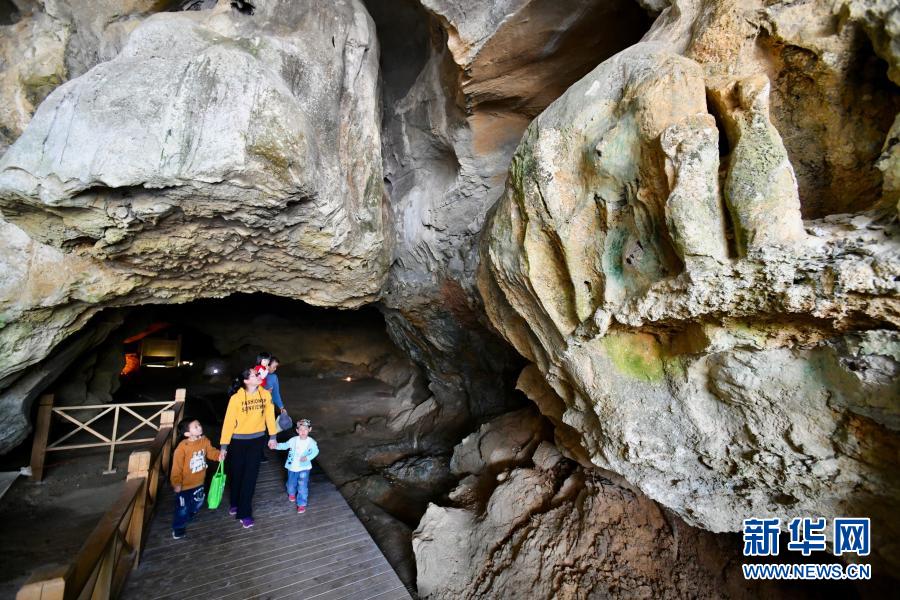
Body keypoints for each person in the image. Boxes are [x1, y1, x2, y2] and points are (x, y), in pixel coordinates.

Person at [220, 368, 277, 528]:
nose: (259, 376)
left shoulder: (265, 394)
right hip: (237, 441)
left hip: (257, 440)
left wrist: (273, 436)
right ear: (246, 381)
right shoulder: (236, 398)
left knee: (250, 476)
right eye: (254, 375)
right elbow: (228, 422)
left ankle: (244, 512)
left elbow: (270, 416)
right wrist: (224, 446)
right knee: (237, 473)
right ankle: (235, 502)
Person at [171, 418, 222, 539]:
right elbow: (176, 468)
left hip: (199, 482)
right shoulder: (182, 448)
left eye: (199, 425)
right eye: (195, 427)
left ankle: (191, 512)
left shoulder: (204, 440)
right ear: (187, 434)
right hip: (184, 486)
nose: (200, 427)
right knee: (182, 508)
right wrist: (176, 483)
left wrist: (218, 455)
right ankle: (178, 528)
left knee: (198, 502)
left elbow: (211, 452)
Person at [275, 418, 319, 514]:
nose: (303, 431)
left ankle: (301, 503)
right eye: (301, 429)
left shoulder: (311, 442)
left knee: (302, 486)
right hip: (292, 467)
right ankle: (291, 493)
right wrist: (276, 445)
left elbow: (316, 451)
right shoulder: (293, 440)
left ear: (310, 429)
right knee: (291, 484)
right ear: (297, 430)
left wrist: (307, 458)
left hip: (304, 468)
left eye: (305, 429)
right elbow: (285, 445)